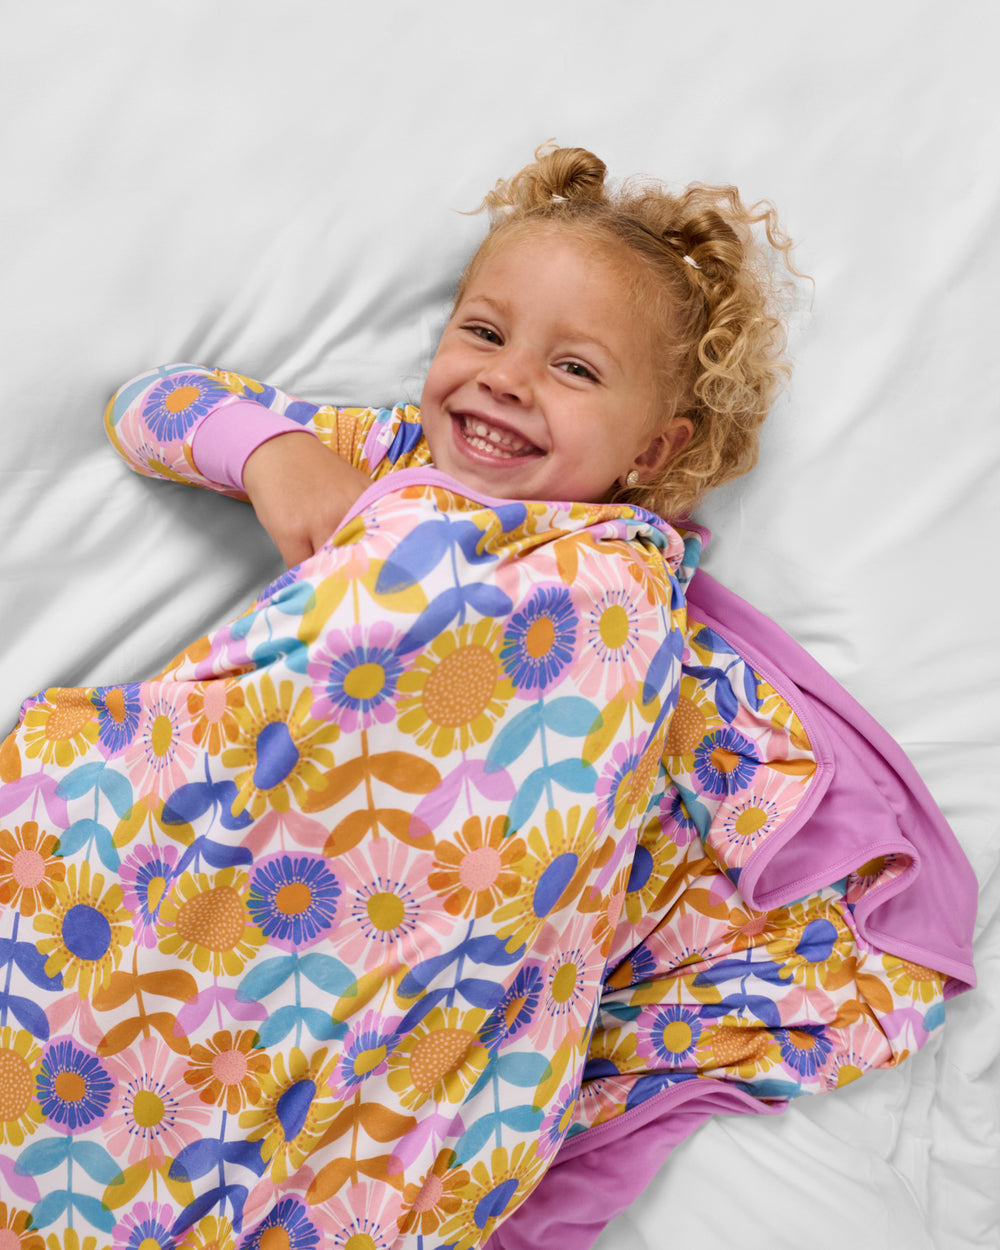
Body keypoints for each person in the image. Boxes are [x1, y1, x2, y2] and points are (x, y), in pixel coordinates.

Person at [0, 147, 975, 1250]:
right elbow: (152, 406)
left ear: (654, 450)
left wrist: (826, 876)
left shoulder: (633, 579)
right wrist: (272, 453)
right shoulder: (389, 460)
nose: (506, 378)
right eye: (484, 331)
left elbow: (754, 811)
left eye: (574, 368)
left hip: (430, 958)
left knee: (337, 1142)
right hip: (230, 823)